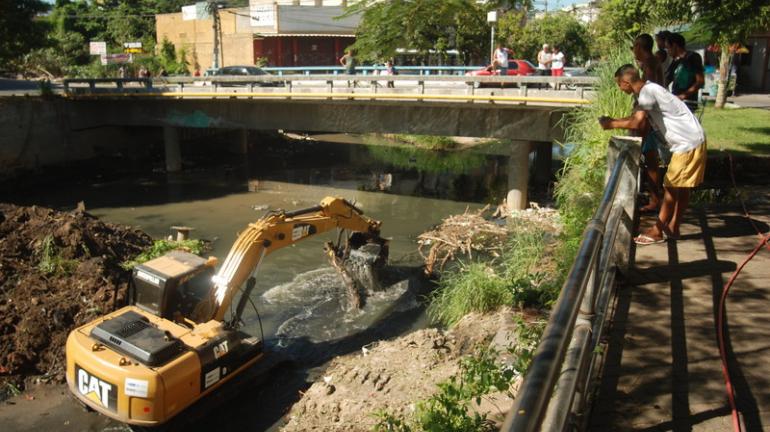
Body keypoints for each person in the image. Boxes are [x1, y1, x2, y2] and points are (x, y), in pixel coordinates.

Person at [599, 64, 706, 245]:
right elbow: (638, 120)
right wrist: (615, 121)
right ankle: (673, 227)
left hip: (687, 143)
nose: (619, 88)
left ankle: (658, 230)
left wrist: (611, 124)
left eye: (619, 84)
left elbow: (637, 123)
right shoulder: (650, 89)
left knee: (671, 186)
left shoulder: (647, 93)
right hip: (692, 139)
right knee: (682, 187)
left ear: (626, 82)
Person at [632, 33, 666, 212]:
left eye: (634, 47)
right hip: (652, 116)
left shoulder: (650, 63)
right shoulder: (651, 62)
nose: (633, 52)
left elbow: (649, 91)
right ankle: (654, 197)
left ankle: (655, 200)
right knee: (649, 159)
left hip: (651, 118)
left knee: (651, 160)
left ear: (639, 46)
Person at [666, 33, 705, 112]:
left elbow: (700, 81)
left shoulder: (693, 57)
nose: (667, 51)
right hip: (675, 101)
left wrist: (683, 96)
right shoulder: (675, 61)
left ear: (674, 45)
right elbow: (666, 80)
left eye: (668, 48)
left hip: (687, 103)